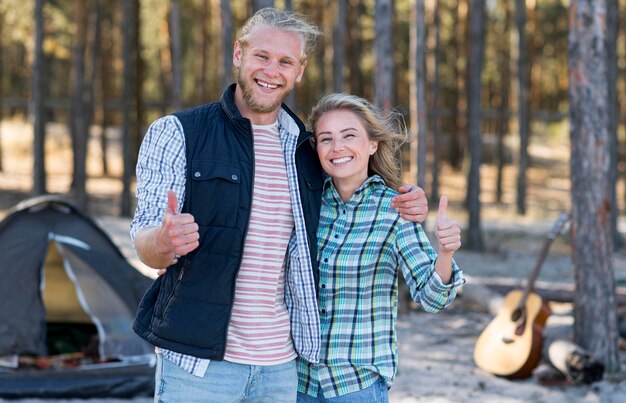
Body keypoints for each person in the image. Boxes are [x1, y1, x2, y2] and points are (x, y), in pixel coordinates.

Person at [130, 8, 429, 403]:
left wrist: (407, 198)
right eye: (262, 57)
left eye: (285, 61)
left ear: (299, 70)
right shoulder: (178, 133)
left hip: (281, 370)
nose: (272, 71)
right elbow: (145, 241)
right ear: (239, 54)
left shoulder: (306, 150)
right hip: (198, 366)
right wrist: (165, 241)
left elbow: (353, 195)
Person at [296, 93, 466, 402]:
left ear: (372, 143)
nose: (338, 147)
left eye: (349, 135)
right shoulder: (306, 203)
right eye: (326, 139)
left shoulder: (395, 210)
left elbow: (431, 299)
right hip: (296, 383)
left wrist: (445, 253)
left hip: (356, 386)